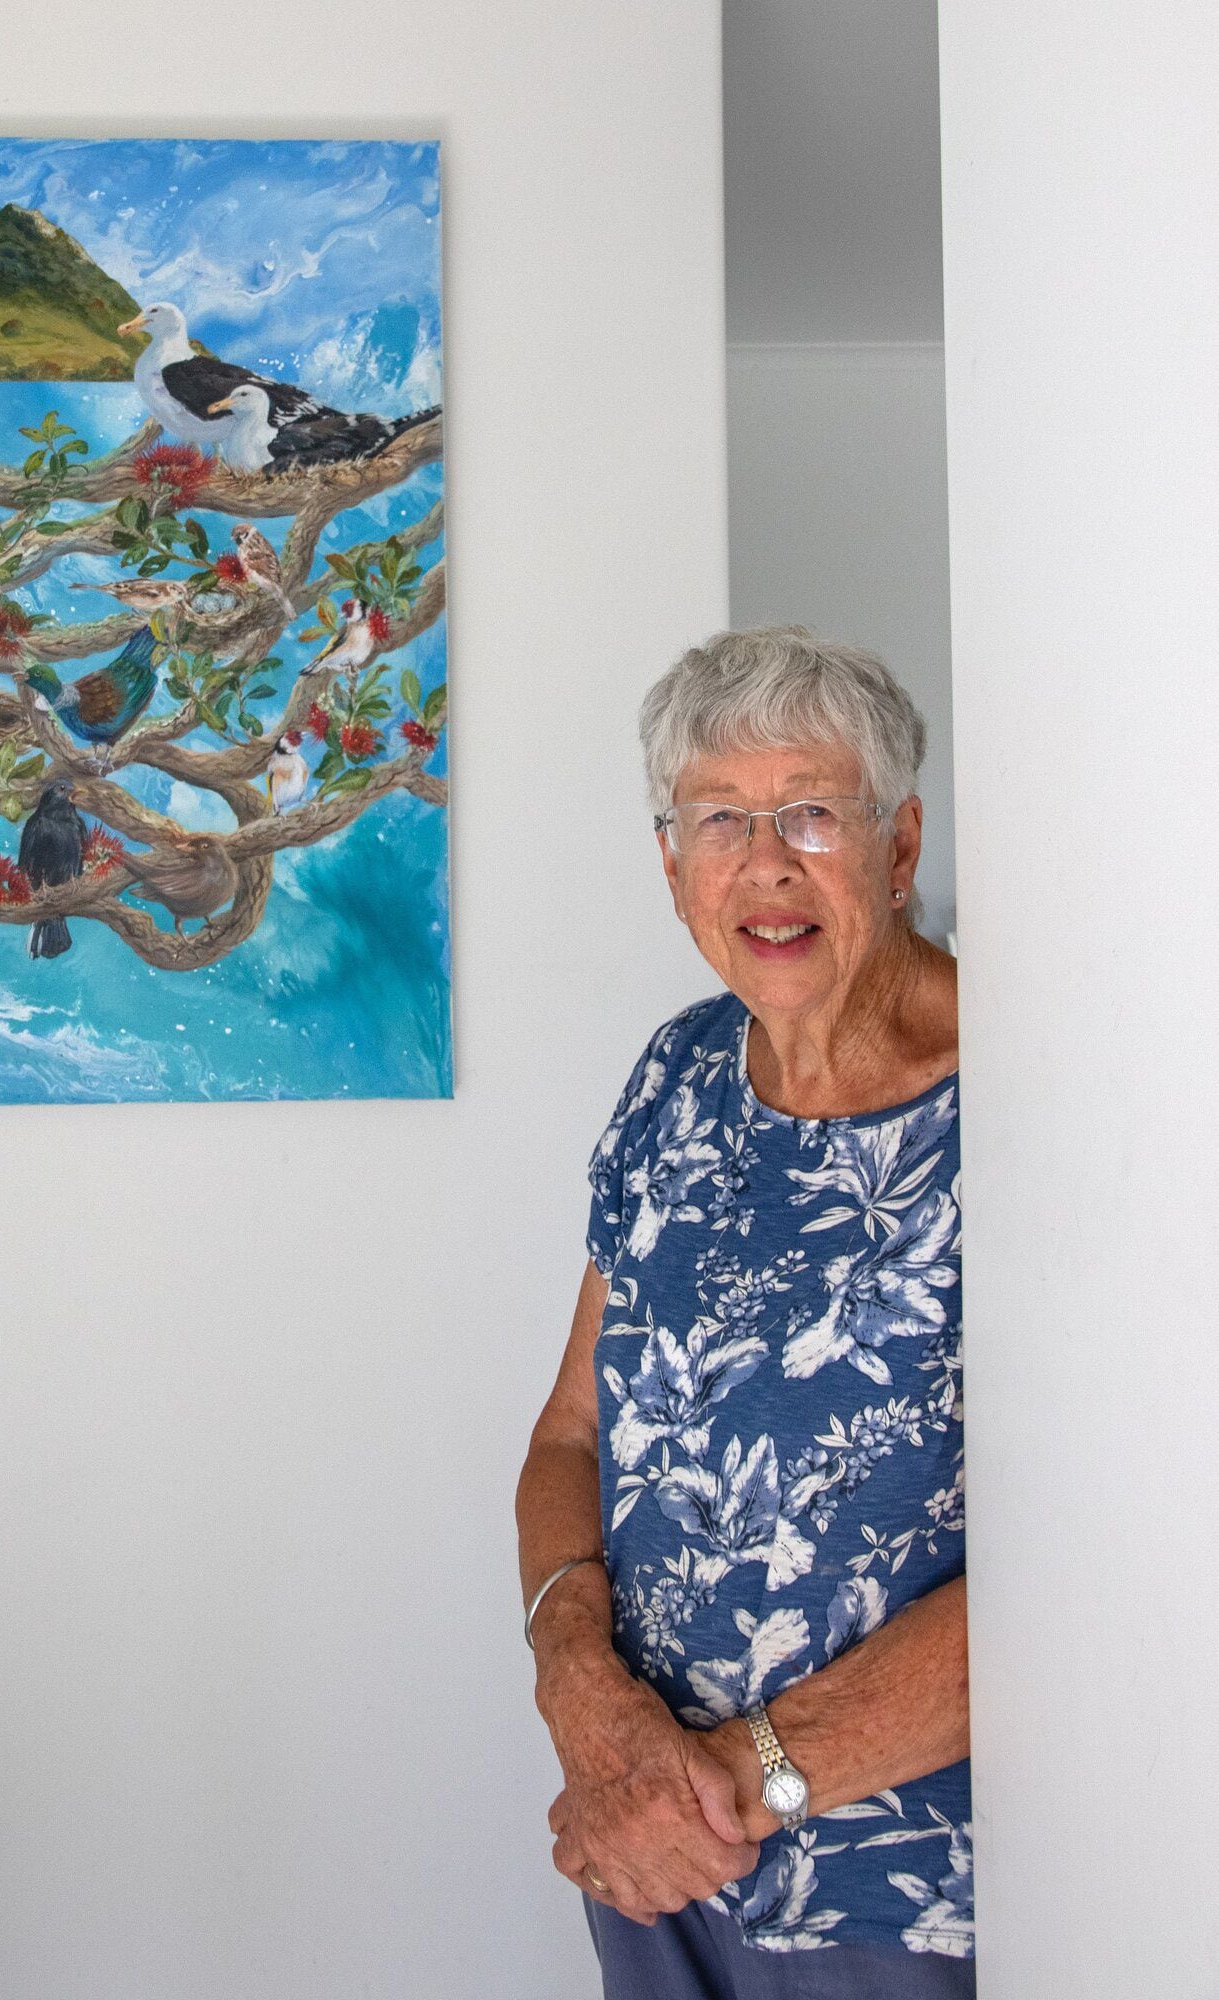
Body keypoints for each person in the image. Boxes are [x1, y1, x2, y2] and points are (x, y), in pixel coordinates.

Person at [516, 628, 973, 1996]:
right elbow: (571, 1435)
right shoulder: (677, 1074)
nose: (765, 863)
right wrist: (577, 1690)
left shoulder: (1028, 1098)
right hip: (653, 1865)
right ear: (673, 868)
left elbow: (1100, 1563)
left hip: (898, 1895)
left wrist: (726, 1784)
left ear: (898, 851)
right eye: (720, 819)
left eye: (813, 813)